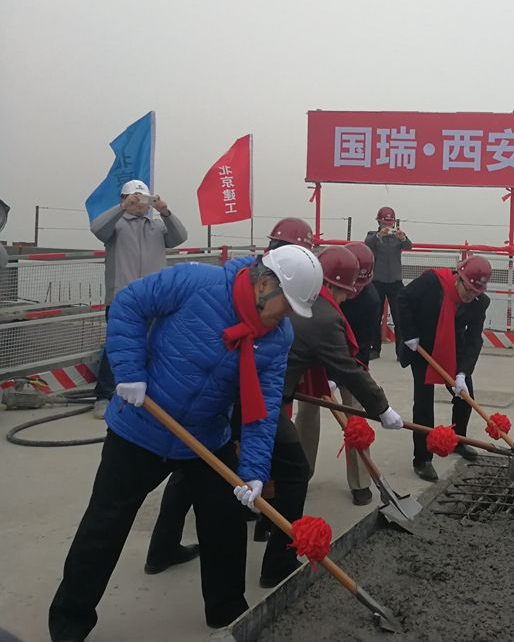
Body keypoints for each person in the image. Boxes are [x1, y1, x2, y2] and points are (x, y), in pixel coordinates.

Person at [49, 245, 322, 640]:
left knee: (225, 525)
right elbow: (129, 302)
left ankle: (228, 614)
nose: (288, 317)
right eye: (288, 306)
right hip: (141, 426)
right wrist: (129, 369)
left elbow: (261, 410)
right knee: (104, 525)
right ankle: (69, 623)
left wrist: (254, 472)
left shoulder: (277, 337)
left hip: (204, 438)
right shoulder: (198, 282)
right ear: (265, 284)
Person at [144, 216, 315, 570]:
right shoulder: (214, 288)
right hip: (226, 404)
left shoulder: (276, 305)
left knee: (193, 470)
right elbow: (136, 305)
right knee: (293, 468)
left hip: (228, 407)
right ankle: (278, 562)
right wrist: (130, 372)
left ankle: (163, 547)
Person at [293, 242, 392, 508]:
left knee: (356, 417)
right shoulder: (316, 291)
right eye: (350, 286)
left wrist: (338, 378)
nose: (352, 293)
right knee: (307, 413)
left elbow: (361, 346)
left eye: (359, 286)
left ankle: (360, 481)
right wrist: (325, 376)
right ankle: (301, 474)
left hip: (350, 363)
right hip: (313, 359)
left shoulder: (370, 301)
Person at [89, 179, 188, 419]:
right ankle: (104, 396)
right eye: (134, 198)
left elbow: (180, 237)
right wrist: (122, 209)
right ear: (124, 199)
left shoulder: (157, 227)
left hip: (154, 300)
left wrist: (165, 212)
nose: (140, 204)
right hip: (122, 299)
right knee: (117, 347)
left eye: (144, 199)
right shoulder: (115, 226)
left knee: (154, 346)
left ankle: (149, 393)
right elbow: (97, 228)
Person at [398, 255, 491, 481]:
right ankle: (423, 459)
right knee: (423, 402)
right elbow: (402, 299)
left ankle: (459, 439)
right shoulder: (432, 282)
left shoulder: (480, 303)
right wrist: (409, 334)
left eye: (475, 292)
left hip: (452, 347)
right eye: (468, 290)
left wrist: (462, 373)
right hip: (421, 345)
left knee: (465, 396)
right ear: (459, 277)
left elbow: (474, 340)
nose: (470, 296)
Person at [364, 206, 412, 359]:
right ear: (379, 222)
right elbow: (367, 244)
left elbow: (409, 246)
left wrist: (402, 238)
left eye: (390, 223)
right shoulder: (373, 236)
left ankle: (401, 352)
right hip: (377, 281)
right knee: (374, 316)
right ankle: (375, 349)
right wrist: (379, 235)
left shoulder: (398, 237)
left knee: (399, 317)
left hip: (395, 282)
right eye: (385, 223)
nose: (388, 226)